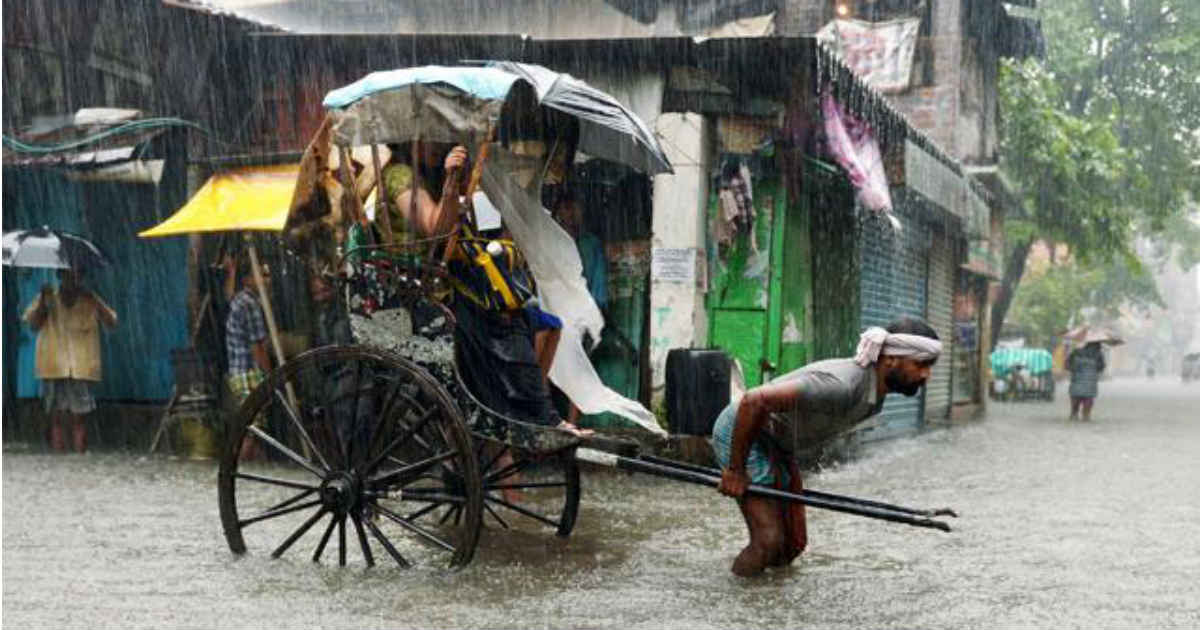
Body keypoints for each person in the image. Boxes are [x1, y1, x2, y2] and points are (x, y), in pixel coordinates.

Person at [712, 317, 942, 577]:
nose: (926, 375)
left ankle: (767, 601)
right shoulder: (841, 385)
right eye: (921, 364)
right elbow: (754, 401)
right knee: (768, 542)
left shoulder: (873, 396)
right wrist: (735, 470)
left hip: (776, 442)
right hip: (742, 430)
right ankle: (734, 603)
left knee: (790, 546)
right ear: (891, 359)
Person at [395, 143, 590, 438]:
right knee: (504, 322)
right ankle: (524, 414)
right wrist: (450, 185)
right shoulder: (400, 175)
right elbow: (435, 229)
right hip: (423, 288)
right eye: (430, 139)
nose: (436, 146)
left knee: (541, 323)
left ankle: (527, 410)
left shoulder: (441, 174)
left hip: (460, 281)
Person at [22, 268, 118, 453]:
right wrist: (43, 301)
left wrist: (96, 301)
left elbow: (112, 322)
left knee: (79, 418)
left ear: (81, 278)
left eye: (76, 276)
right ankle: (60, 460)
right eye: (67, 276)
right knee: (56, 417)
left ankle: (78, 460)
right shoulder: (48, 298)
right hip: (53, 366)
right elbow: (34, 325)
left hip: (81, 367)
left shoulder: (90, 299)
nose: (72, 280)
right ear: (60, 276)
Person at [553, 194, 609, 427]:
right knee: (548, 368)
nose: (570, 218)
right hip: (555, 313)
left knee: (578, 369)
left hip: (581, 315)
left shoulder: (590, 244)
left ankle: (572, 422)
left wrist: (591, 315)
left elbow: (598, 287)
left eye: (573, 213)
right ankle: (550, 419)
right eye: (565, 213)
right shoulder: (551, 243)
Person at [225, 259, 272, 459]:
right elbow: (257, 347)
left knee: (253, 428)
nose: (267, 280)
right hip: (249, 373)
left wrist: (231, 271)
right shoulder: (250, 304)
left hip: (238, 373)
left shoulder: (239, 300)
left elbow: (227, 295)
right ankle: (240, 470)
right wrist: (272, 376)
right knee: (252, 431)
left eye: (267, 275)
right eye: (261, 275)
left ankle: (251, 466)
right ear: (247, 280)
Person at [1067, 342, 1105, 421]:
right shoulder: (1098, 354)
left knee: (1075, 396)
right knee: (1088, 398)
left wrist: (1074, 369)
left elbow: (1067, 364)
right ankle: (1086, 415)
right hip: (1091, 379)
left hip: (1077, 378)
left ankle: (1074, 413)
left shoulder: (1076, 351)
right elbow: (1101, 367)